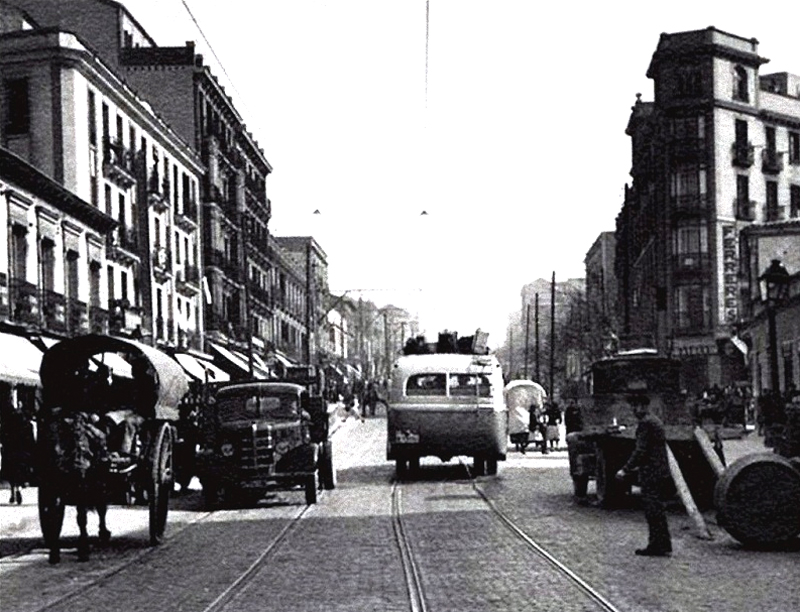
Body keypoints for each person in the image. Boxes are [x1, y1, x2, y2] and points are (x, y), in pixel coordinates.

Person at [615, 394, 672, 557]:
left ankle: (657, 545)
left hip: (651, 472)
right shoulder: (654, 421)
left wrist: (625, 469)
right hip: (659, 471)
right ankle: (663, 544)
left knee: (653, 510)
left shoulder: (646, 424)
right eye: (633, 406)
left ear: (644, 406)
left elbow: (641, 450)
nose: (634, 410)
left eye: (636, 406)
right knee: (658, 510)